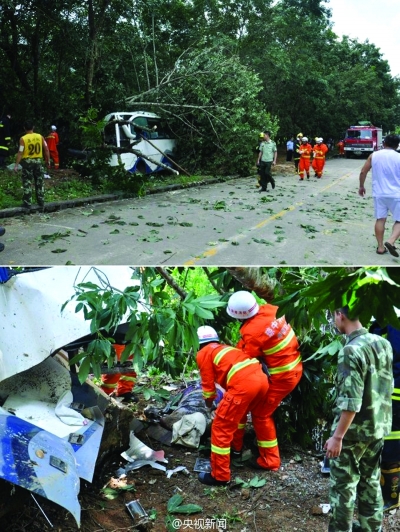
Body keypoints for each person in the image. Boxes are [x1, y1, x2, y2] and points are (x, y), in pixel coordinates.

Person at [324, 307, 393, 532]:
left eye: (334, 316)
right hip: (378, 427)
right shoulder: (382, 343)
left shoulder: (350, 350)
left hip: (352, 434)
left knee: (343, 489)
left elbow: (350, 402)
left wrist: (337, 437)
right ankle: (371, 528)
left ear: (339, 315)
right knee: (371, 482)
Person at [226, 291, 302, 470]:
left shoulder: (252, 332)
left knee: (260, 414)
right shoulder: (272, 309)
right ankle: (247, 444)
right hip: (294, 367)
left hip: (283, 378)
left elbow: (245, 357)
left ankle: (270, 461)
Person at [195, 325, 271, 486]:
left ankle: (220, 476)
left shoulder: (204, 353)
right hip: (261, 381)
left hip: (243, 385)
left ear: (198, 342)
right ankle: (236, 449)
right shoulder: (225, 349)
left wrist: (209, 405)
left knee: (220, 427)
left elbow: (208, 389)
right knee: (239, 415)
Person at [369, 322, 400, 511]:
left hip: (393, 393)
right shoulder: (383, 325)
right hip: (390, 391)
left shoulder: (388, 327)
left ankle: (391, 495)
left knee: (391, 442)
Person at [358, 134, 400, 256]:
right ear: (397, 145)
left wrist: (361, 186)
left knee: (380, 219)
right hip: (397, 194)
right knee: (399, 220)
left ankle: (381, 247)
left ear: (384, 143)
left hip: (379, 194)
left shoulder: (374, 155)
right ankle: (391, 241)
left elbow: (363, 172)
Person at [14, 121, 50, 209]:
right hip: (38, 161)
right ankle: (41, 201)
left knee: (27, 182)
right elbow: (46, 149)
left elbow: (20, 152)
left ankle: (27, 202)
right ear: (33, 127)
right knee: (39, 182)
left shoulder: (23, 139)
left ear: (24, 128)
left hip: (27, 162)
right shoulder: (40, 137)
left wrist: (16, 164)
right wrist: (48, 160)